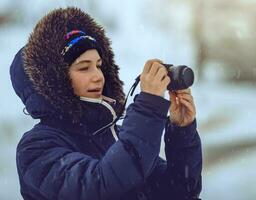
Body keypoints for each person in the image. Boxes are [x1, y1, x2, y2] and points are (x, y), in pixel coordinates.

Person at [10, 7, 202, 200]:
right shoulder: (36, 148)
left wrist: (181, 132)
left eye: (99, 66)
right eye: (84, 68)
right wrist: (148, 108)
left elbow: (177, 192)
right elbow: (100, 186)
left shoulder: (115, 135)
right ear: (55, 80)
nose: (98, 76)